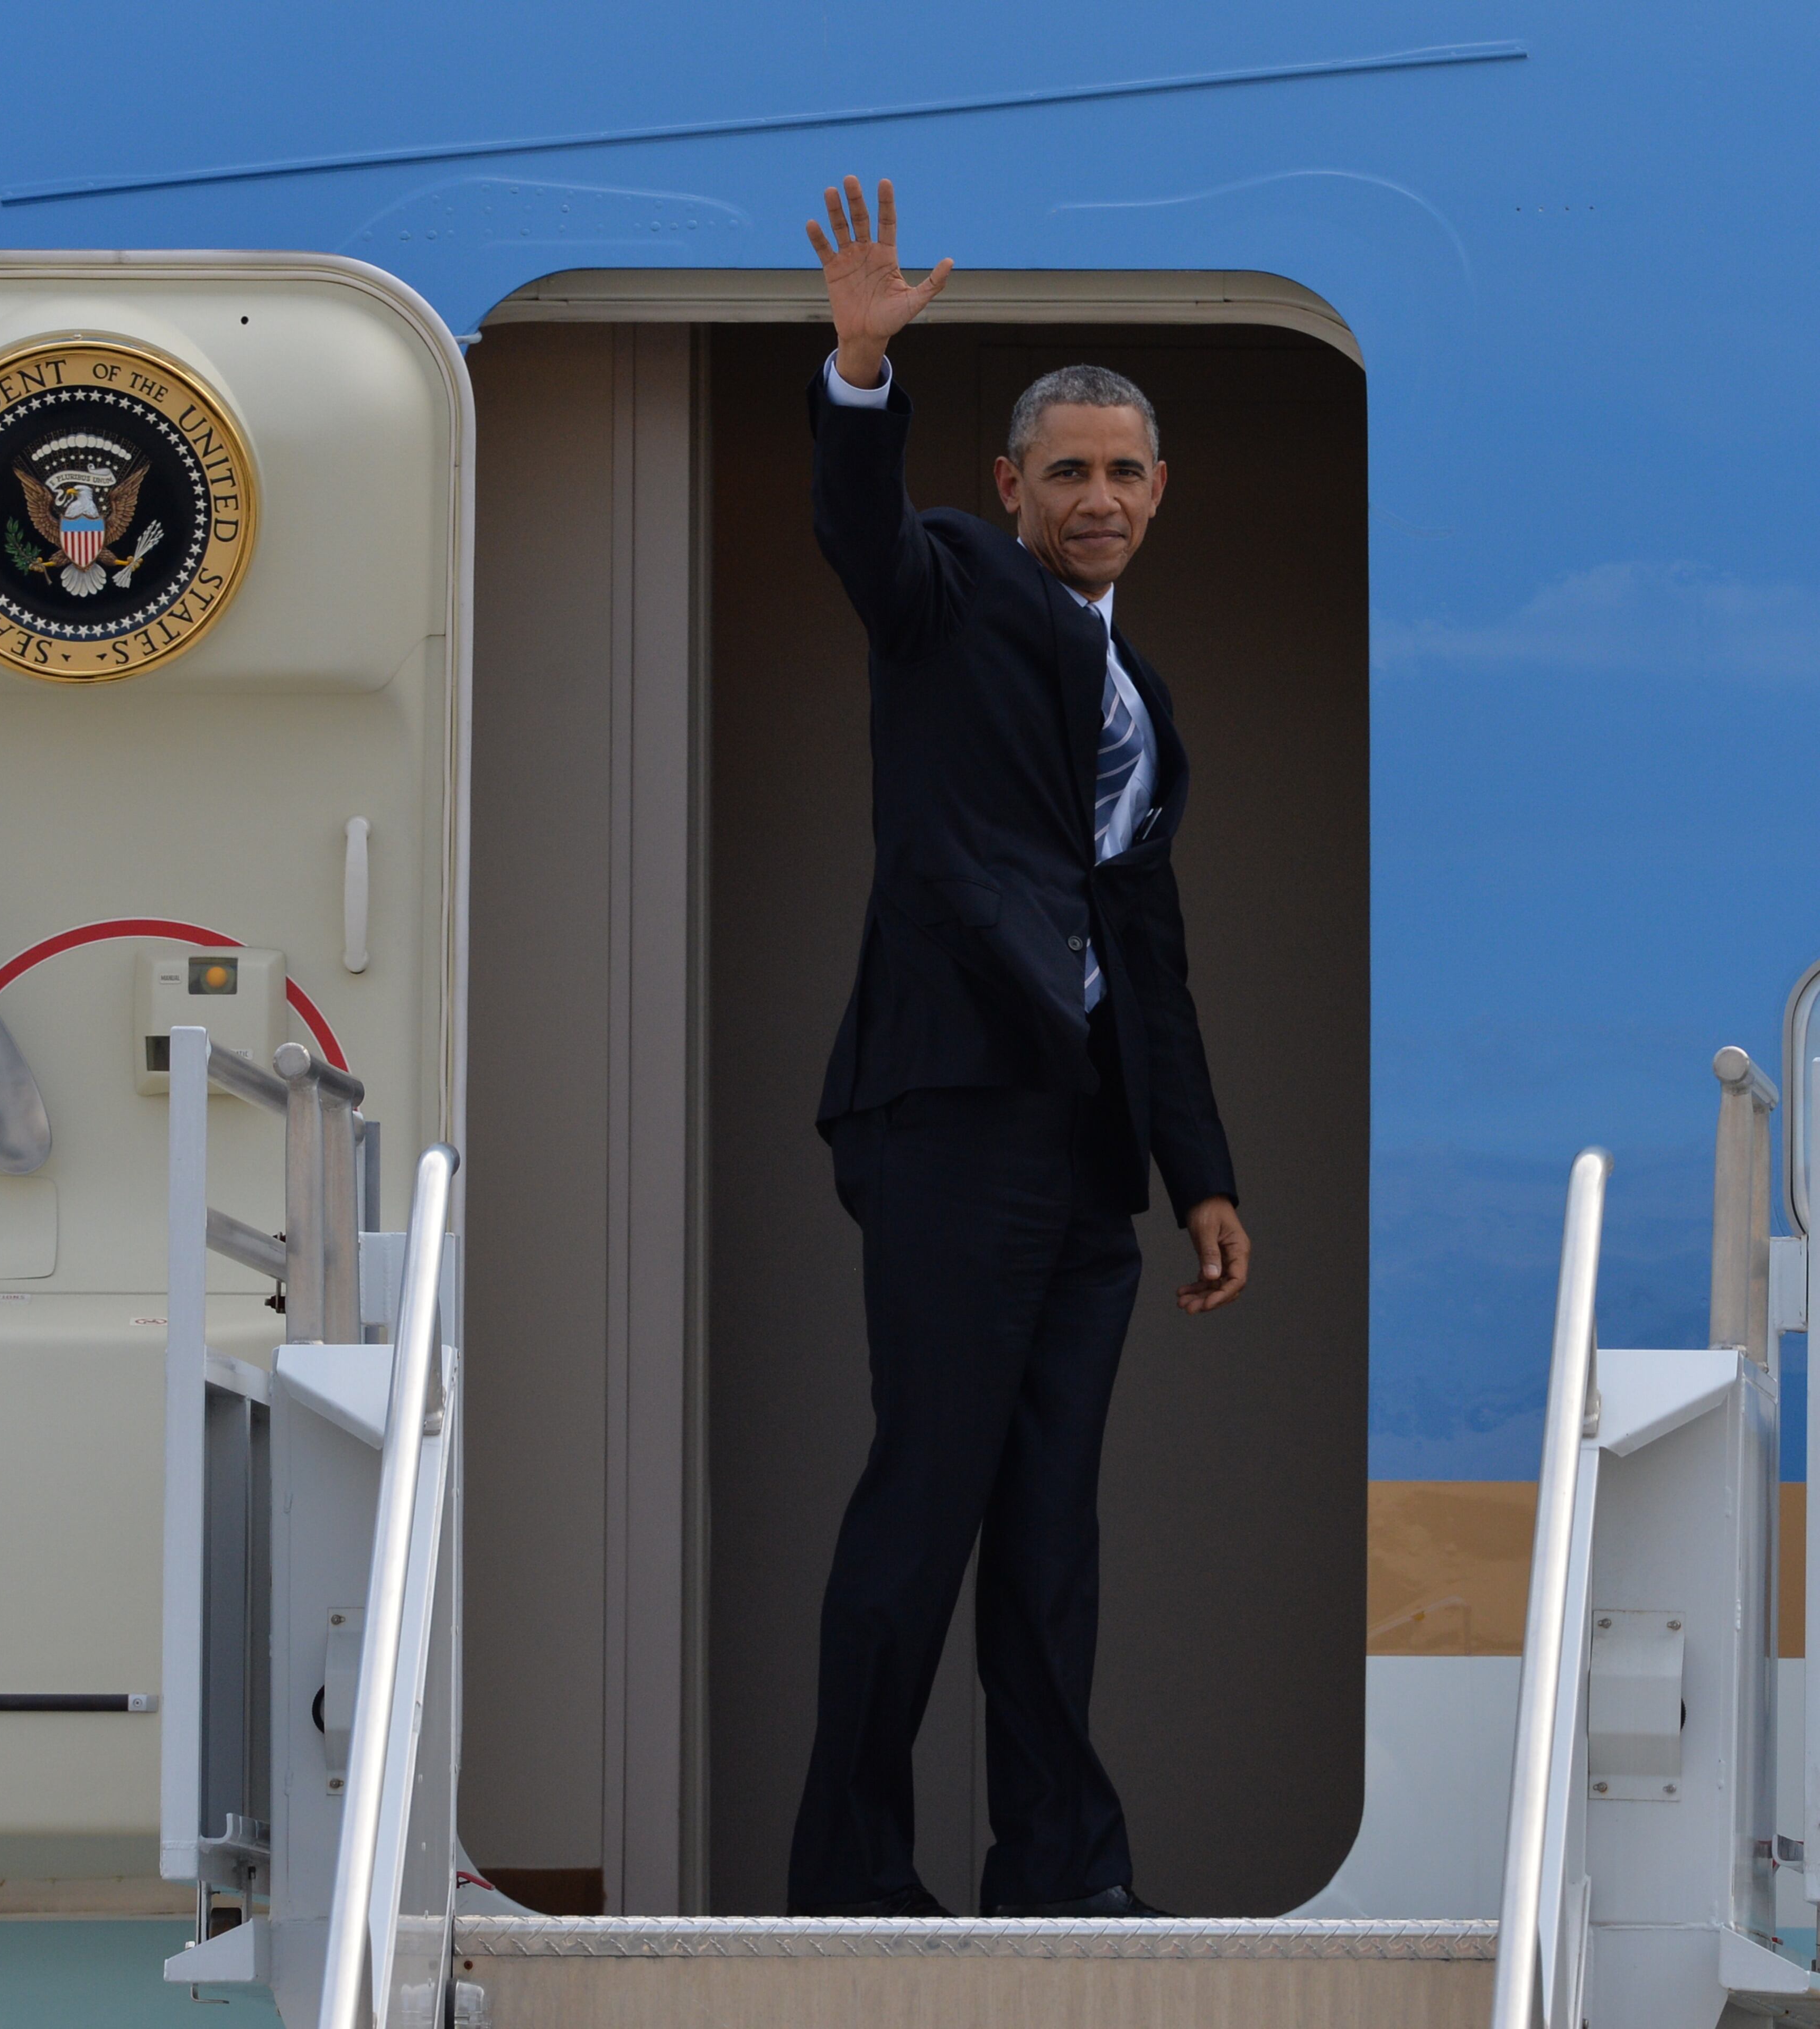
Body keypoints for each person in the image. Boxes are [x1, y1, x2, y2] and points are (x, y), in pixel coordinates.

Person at [786, 176, 1251, 1921]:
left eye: (1124, 471)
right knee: (928, 1499)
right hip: (953, 1113)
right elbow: (864, 537)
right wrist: (858, 371)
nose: (1098, 497)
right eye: (1067, 471)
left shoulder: (1146, 703)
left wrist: (1199, 1172)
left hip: (1084, 1154)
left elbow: (1148, 948)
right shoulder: (955, 589)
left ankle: (1062, 1875)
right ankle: (851, 1879)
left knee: (1053, 1531)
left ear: (1159, 491)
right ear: (1008, 487)